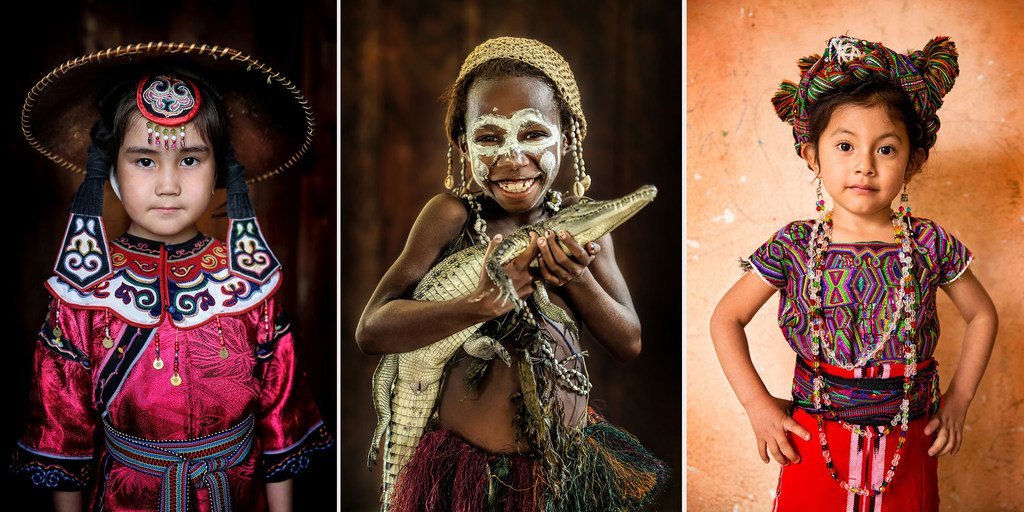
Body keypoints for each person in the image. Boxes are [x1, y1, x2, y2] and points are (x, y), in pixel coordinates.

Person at [10, 43, 332, 511]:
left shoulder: (249, 286)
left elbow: (280, 421)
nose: (168, 185)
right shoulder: (81, 296)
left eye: (190, 159)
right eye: (144, 160)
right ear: (111, 171)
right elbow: (65, 438)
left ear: (219, 166)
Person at [357, 37, 668, 510]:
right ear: (462, 144)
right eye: (488, 138)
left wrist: (576, 278)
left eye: (532, 134)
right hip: (467, 477)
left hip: (564, 470)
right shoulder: (450, 216)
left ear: (567, 135)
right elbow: (371, 330)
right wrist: (477, 306)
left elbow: (629, 343)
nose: (511, 156)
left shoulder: (590, 233)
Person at [710, 35, 998, 511]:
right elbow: (725, 318)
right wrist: (757, 405)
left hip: (910, 445)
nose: (864, 165)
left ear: (914, 161)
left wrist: (959, 401)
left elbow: (982, 315)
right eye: (845, 145)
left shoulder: (927, 243)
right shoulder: (795, 246)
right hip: (815, 441)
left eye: (886, 150)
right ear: (812, 155)